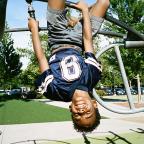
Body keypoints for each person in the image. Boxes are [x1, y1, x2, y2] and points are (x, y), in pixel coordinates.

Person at [28, 0, 109, 132]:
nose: (81, 111)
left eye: (77, 115)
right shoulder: (92, 77)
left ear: (71, 109)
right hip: (80, 38)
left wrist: (34, 30)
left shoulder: (55, 91)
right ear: (95, 104)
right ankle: (81, 17)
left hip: (57, 37)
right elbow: (88, 41)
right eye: (88, 113)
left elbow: (41, 58)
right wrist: (84, 11)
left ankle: (79, 17)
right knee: (104, 2)